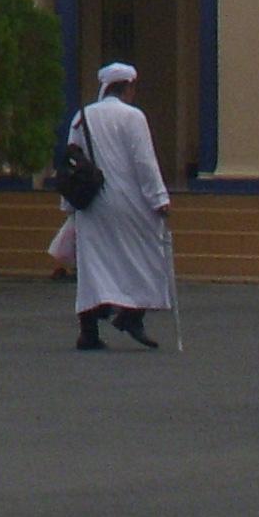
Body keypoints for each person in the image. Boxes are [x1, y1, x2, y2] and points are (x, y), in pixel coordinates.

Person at [68, 60, 174, 352]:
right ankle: (132, 314)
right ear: (128, 86)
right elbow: (144, 162)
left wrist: (69, 204)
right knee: (146, 254)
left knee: (92, 264)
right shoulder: (132, 117)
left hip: (92, 203)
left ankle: (88, 331)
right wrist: (159, 198)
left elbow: (71, 162)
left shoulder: (82, 117)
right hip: (128, 201)